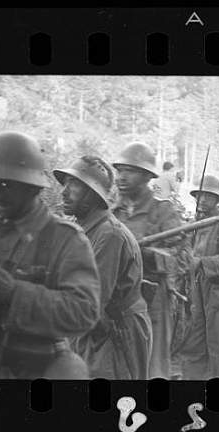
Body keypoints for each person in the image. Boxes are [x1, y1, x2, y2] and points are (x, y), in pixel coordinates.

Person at [0, 131, 100, 379]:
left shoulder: (65, 239)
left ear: (31, 187)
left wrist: (14, 293)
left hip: (37, 366)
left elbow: (83, 311)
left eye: (6, 185)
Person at [53, 156, 152, 379]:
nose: (64, 192)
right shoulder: (85, 228)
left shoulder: (109, 236)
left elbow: (91, 304)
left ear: (92, 194)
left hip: (116, 334)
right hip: (94, 329)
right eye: (66, 183)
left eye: (74, 185)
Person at [112, 142, 189, 379]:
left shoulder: (163, 212)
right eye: (120, 170)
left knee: (154, 365)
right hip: (117, 298)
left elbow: (183, 259)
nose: (122, 177)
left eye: (130, 171)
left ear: (146, 176)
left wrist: (148, 253)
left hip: (153, 298)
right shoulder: (112, 213)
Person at [179, 175, 219, 380]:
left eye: (209, 196)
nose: (203, 200)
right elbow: (185, 254)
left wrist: (202, 263)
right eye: (200, 195)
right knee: (194, 342)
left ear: (218, 199)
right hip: (195, 290)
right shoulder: (194, 223)